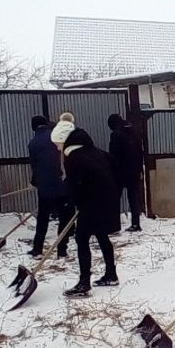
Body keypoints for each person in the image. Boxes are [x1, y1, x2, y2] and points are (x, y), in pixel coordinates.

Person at [52, 127, 121, 297]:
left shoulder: (74, 158)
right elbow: (117, 172)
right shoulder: (98, 152)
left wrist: (74, 200)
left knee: (81, 238)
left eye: (58, 144)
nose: (58, 148)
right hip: (107, 202)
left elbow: (75, 184)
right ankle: (111, 274)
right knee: (102, 235)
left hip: (91, 204)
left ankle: (84, 283)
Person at [28, 116, 75, 259]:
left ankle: (37, 250)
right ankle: (62, 250)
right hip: (61, 184)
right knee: (64, 218)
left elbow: (35, 167)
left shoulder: (33, 143)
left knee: (43, 218)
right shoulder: (56, 138)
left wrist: (36, 181)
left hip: (45, 188)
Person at [107, 114, 144, 232]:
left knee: (114, 198)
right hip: (134, 172)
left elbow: (114, 155)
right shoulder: (133, 131)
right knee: (133, 198)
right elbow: (140, 151)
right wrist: (140, 170)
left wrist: (112, 170)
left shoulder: (116, 135)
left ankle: (114, 225)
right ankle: (136, 224)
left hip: (120, 173)